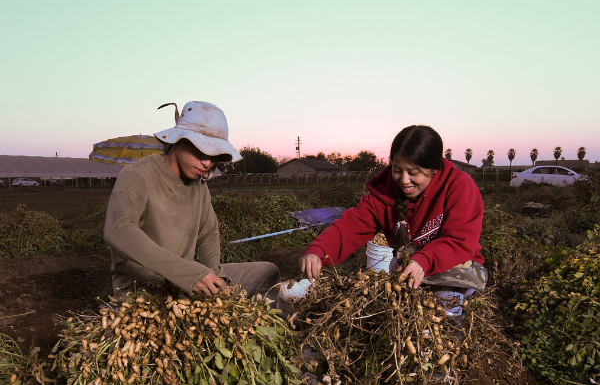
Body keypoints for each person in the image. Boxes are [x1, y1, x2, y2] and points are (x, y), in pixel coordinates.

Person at [104, 101, 280, 300]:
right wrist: (189, 274)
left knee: (268, 271)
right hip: (143, 290)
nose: (207, 162)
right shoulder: (137, 175)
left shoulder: (199, 185)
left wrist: (214, 274)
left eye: (214, 155)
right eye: (201, 150)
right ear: (178, 140)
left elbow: (208, 232)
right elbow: (119, 230)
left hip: (187, 281)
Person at [301, 125, 486, 307]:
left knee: (445, 301)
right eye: (397, 170)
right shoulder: (385, 194)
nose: (404, 180)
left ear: (434, 168)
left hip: (456, 266)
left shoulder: (458, 186)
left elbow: (460, 241)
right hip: (410, 267)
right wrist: (319, 250)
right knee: (396, 301)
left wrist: (424, 260)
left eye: (413, 173)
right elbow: (350, 227)